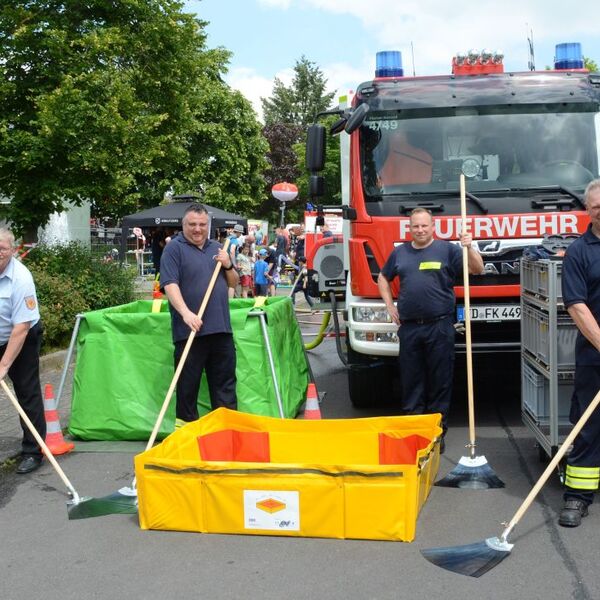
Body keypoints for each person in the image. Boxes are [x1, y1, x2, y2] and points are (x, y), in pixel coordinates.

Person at [377, 207, 483, 450]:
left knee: (440, 380)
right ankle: (415, 433)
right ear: (410, 228)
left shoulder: (448, 250)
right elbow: (383, 278)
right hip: (410, 328)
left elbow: (477, 269)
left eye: (424, 226)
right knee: (411, 381)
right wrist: (389, 306)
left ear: (432, 227)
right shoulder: (400, 253)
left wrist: (469, 246)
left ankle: (436, 433)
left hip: (440, 326)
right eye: (416, 226)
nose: (420, 230)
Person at [160, 204, 239, 425]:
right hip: (190, 332)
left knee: (225, 388)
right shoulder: (174, 249)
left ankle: (226, 436)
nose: (197, 229)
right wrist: (186, 313)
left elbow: (234, 282)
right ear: (183, 225)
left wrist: (228, 265)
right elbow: (170, 284)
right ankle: (188, 443)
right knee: (187, 390)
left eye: (202, 224)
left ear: (208, 225)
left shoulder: (217, 248)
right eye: (192, 224)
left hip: (221, 330)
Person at [558, 179, 600, 527]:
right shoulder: (578, 252)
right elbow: (577, 306)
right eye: (596, 206)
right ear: (588, 210)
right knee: (588, 428)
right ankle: (577, 497)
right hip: (594, 357)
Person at [0, 228, 46, 474]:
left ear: (12, 250)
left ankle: (33, 451)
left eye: (2, 248)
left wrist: (4, 365)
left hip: (22, 336)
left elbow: (21, 327)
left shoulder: (21, 278)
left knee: (27, 392)